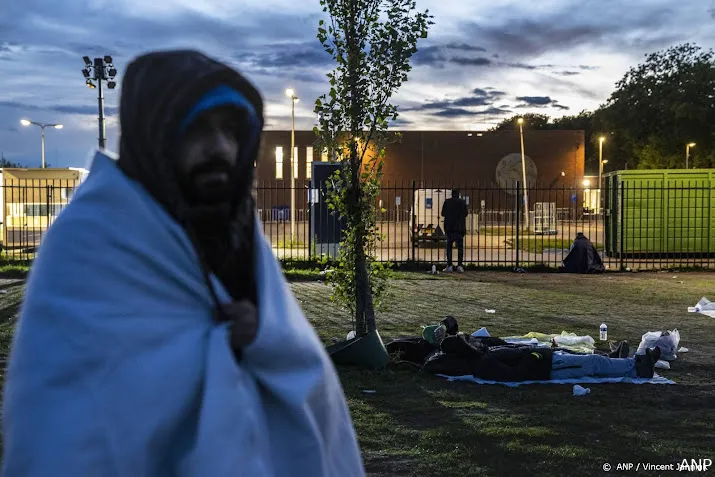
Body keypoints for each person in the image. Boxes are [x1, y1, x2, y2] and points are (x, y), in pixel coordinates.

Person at [2, 50, 365, 477]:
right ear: (156, 135)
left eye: (231, 130)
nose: (220, 148)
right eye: (198, 129)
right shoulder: (92, 238)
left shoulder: (236, 228)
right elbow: (73, 425)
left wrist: (260, 333)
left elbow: (297, 361)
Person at [441, 188, 469, 273]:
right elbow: (466, 214)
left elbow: (443, 213)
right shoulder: (462, 202)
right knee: (460, 248)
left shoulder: (447, 202)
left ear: (452, 194)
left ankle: (449, 265)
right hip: (459, 228)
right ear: (458, 194)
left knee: (449, 247)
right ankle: (460, 266)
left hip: (450, 228)